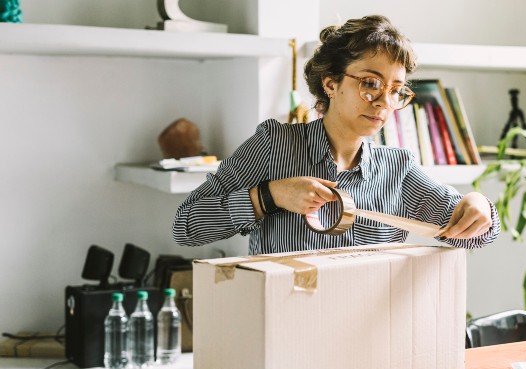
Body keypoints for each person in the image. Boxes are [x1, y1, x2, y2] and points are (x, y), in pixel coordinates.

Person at [172, 15, 500, 254]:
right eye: (371, 84)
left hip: (369, 339)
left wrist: (478, 205)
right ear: (331, 84)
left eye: (396, 90)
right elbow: (185, 226)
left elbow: (474, 233)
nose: (385, 102)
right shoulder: (274, 146)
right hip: (286, 335)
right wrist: (269, 196)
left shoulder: (398, 169)